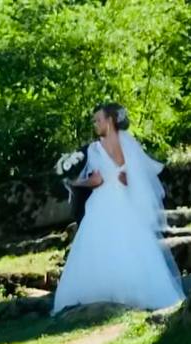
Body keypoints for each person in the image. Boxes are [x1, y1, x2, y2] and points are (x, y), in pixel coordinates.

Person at [53, 104, 184, 315]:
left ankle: (100, 294)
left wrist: (75, 182)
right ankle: (145, 294)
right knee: (133, 244)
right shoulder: (129, 143)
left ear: (110, 121)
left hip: (103, 201)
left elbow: (97, 180)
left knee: (98, 244)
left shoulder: (96, 148)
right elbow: (136, 177)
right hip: (125, 202)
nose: (96, 124)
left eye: (98, 120)